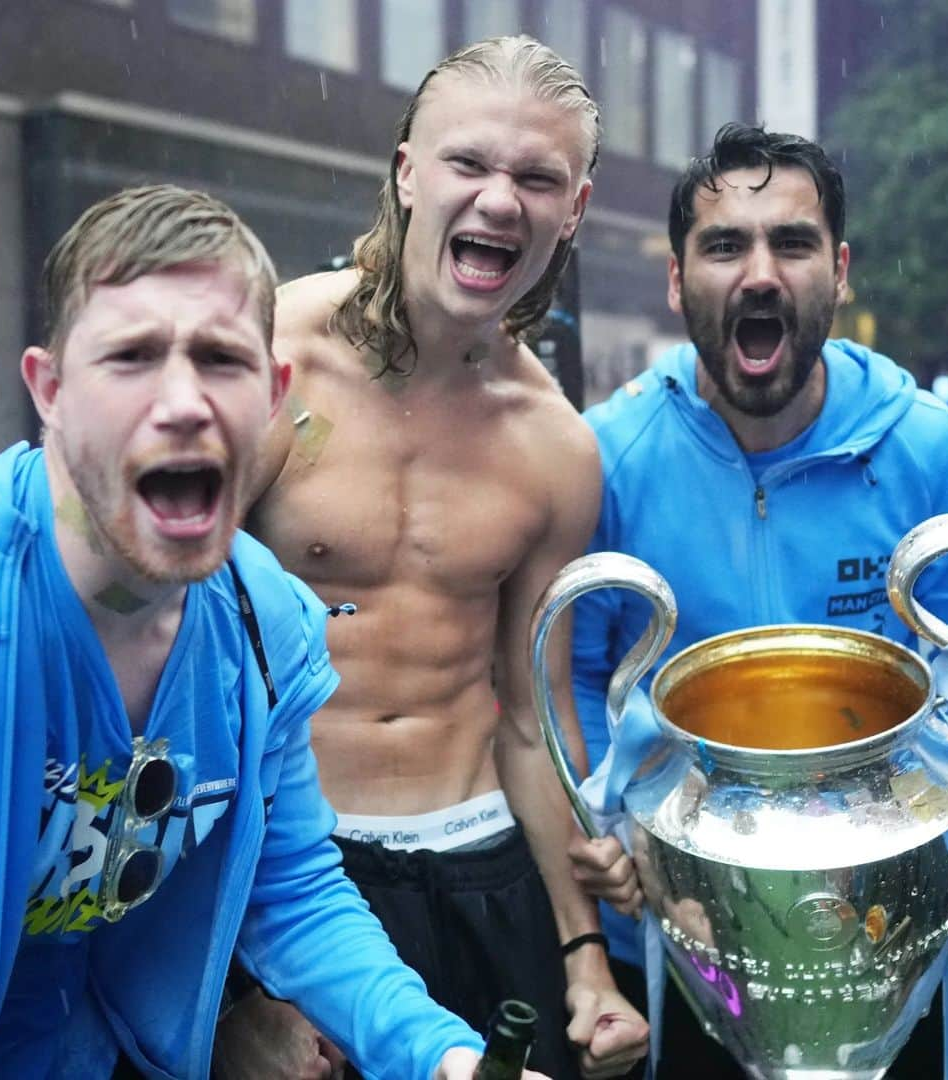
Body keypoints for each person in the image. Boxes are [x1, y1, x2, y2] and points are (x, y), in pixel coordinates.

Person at [0, 183, 549, 1080]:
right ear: (50, 392)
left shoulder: (267, 626)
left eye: (220, 359)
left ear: (274, 395)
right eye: (132, 356)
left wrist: (444, 1057)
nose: (184, 402)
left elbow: (291, 894)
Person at [567, 123, 948, 1079]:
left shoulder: (929, 448)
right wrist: (612, 822)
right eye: (723, 245)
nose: (759, 273)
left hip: (890, 921)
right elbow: (582, 670)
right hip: (696, 938)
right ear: (676, 281)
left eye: (791, 243)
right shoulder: (606, 456)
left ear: (839, 271)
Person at [222, 35, 649, 1080]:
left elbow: (529, 715)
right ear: (408, 169)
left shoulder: (557, 446)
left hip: (483, 875)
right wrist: (234, 985)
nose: (500, 200)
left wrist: (586, 960)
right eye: (470, 164)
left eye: (537, 177)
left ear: (576, 209)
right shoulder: (272, 359)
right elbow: (170, 650)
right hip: (293, 880)